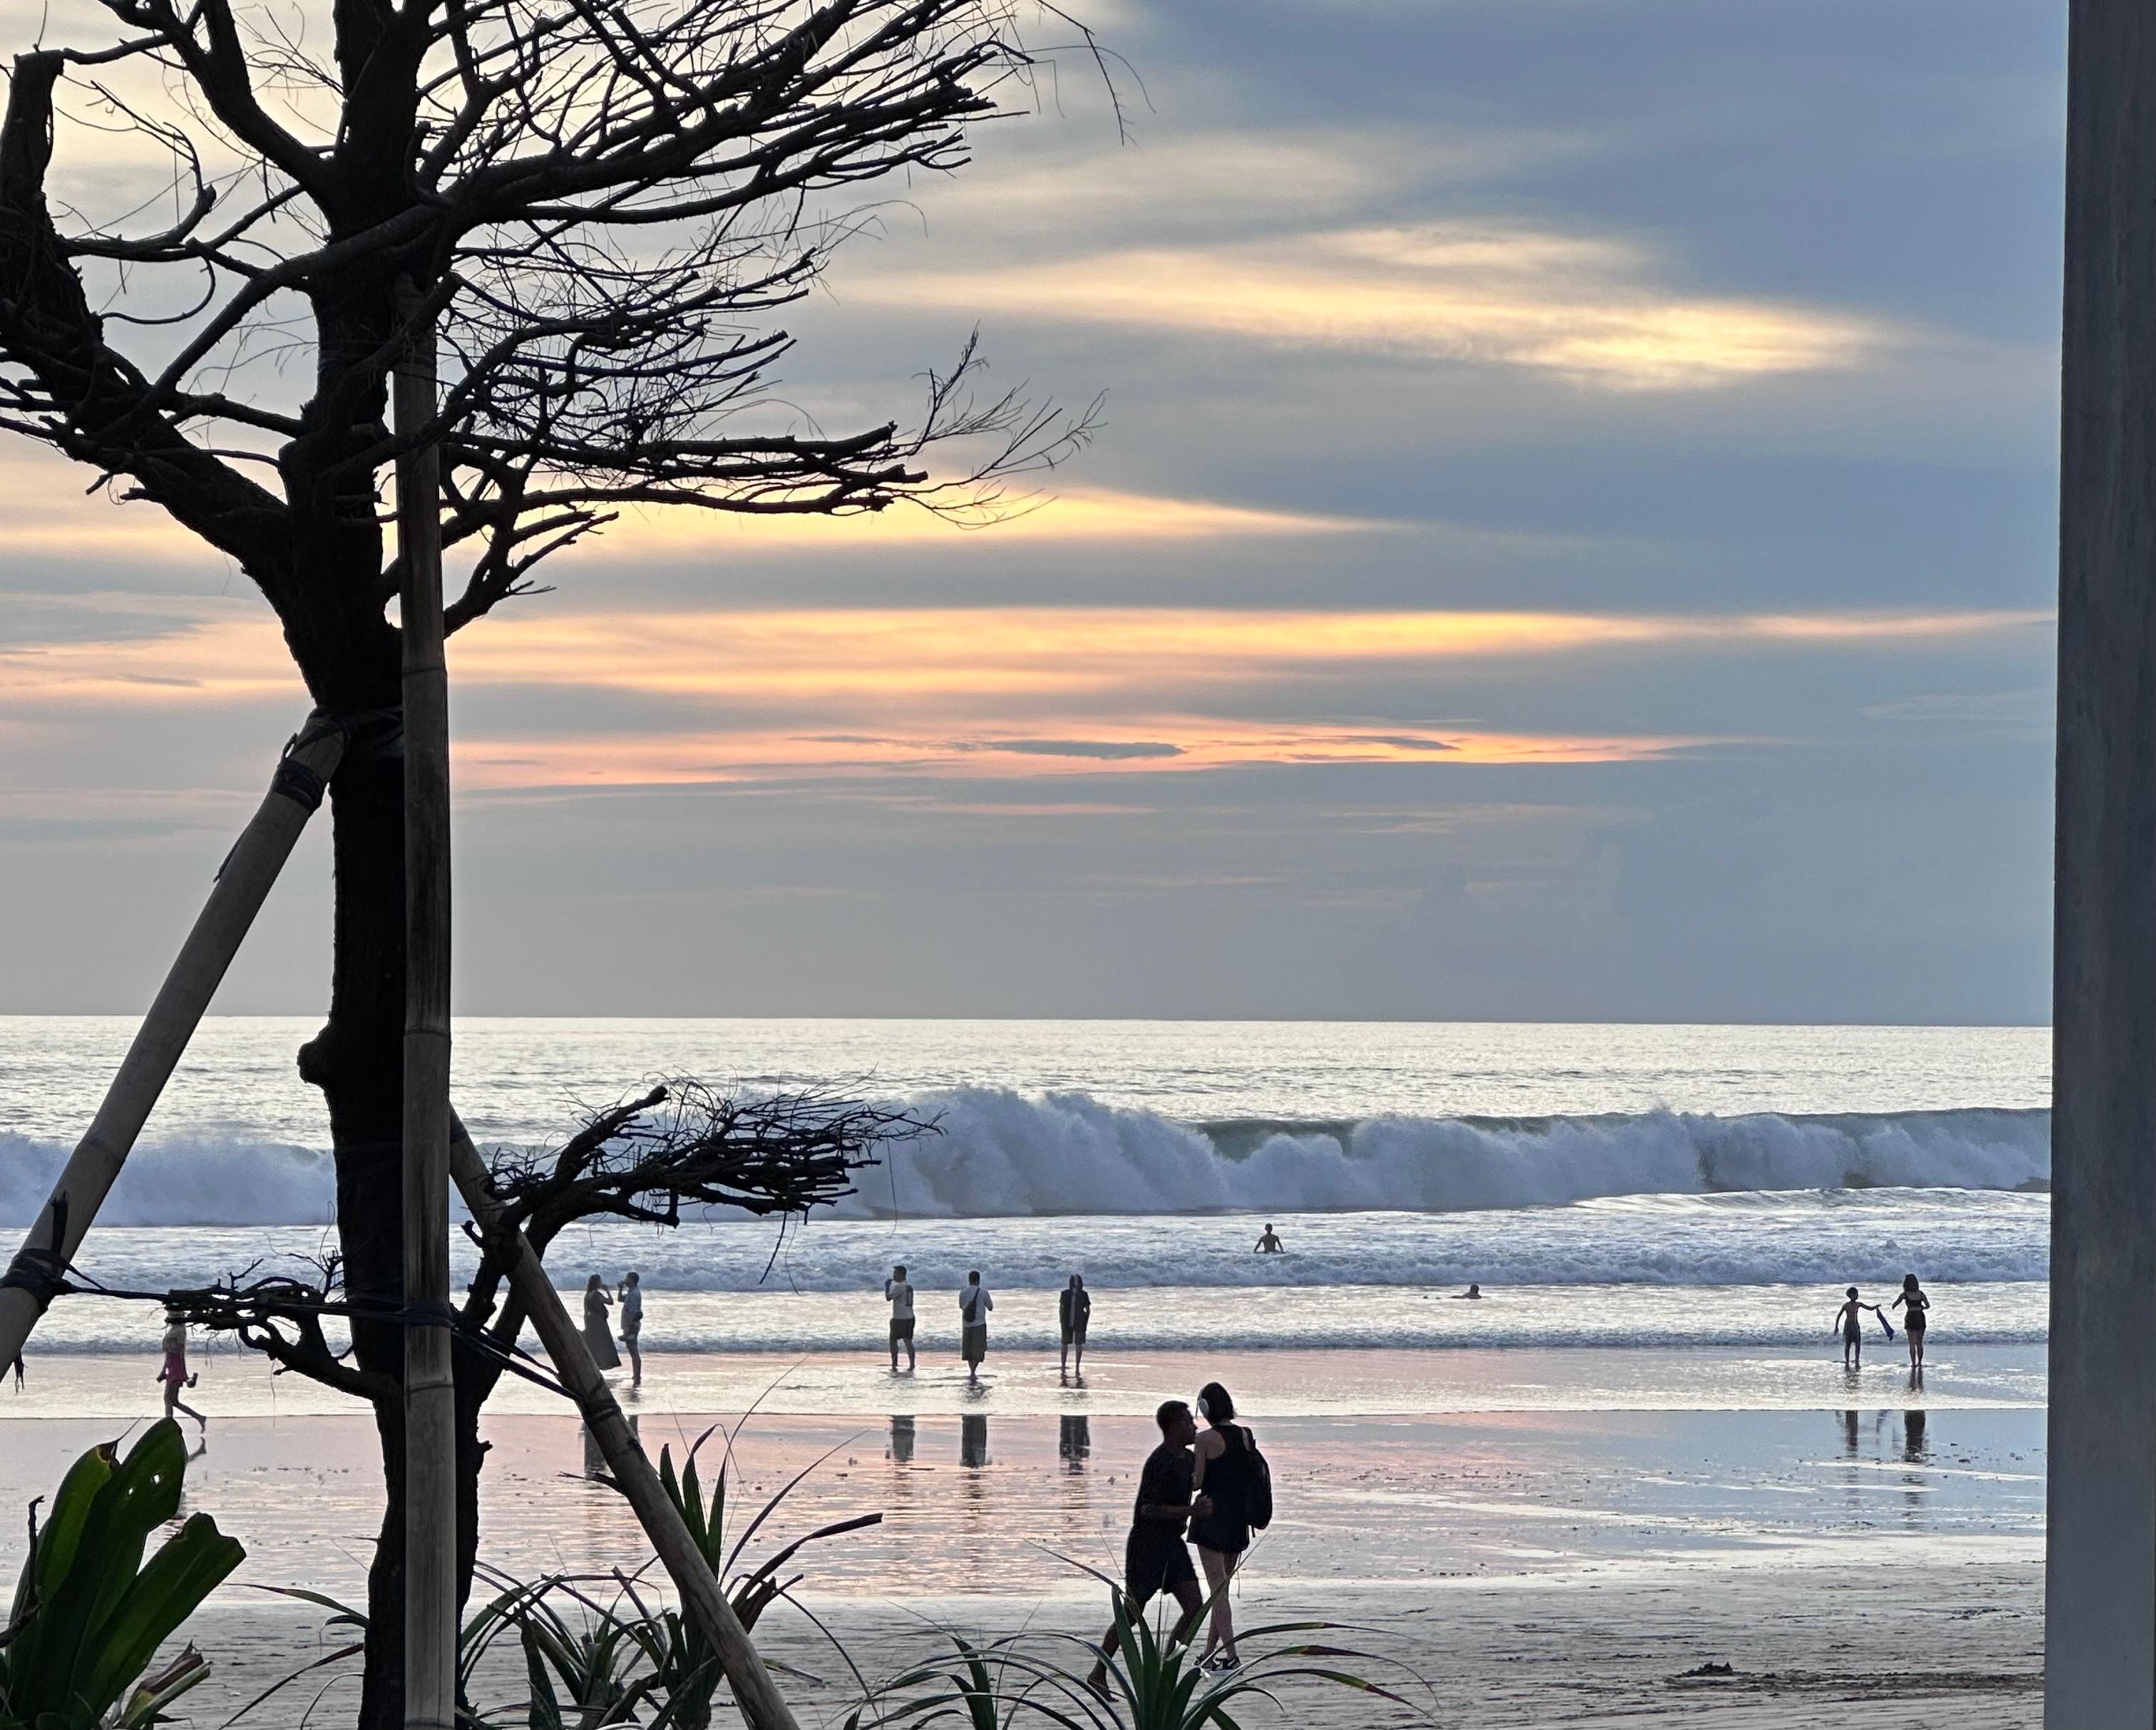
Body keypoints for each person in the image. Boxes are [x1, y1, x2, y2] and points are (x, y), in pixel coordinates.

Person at [1087, 1399, 1206, 1695]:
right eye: (1188, 1421)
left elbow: (1196, 1482)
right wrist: (1191, 1513)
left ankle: (1168, 1665)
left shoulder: (1188, 1459)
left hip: (1173, 1545)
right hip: (1147, 1545)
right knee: (1132, 1612)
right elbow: (1148, 1510)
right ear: (1173, 1426)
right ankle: (1098, 1672)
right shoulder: (1160, 1461)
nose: (1194, 1426)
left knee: (1195, 1606)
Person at [1189, 1380, 1260, 1671]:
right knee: (1222, 1592)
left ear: (1205, 1409)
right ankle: (1208, 1653)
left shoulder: (1205, 1440)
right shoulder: (1245, 1434)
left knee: (1217, 1593)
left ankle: (1231, 1656)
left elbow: (1197, 1482)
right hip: (1237, 1521)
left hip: (1211, 1521)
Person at [157, 1313, 206, 1431]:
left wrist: (168, 1372)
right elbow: (169, 1357)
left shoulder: (177, 1333)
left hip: (175, 1372)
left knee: (168, 1399)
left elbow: (176, 1354)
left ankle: (168, 1424)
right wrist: (163, 1372)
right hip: (174, 1371)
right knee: (173, 1401)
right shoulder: (178, 1331)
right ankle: (199, 1417)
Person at [1834, 1286, 1884, 1369]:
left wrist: (1876, 1307)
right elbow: (1839, 1316)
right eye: (1855, 1294)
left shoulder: (1858, 1304)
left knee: (1858, 1344)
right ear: (1850, 1295)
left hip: (1855, 1325)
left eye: (1857, 1294)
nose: (1856, 1296)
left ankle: (1857, 1360)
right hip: (1848, 1325)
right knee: (1848, 1344)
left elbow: (1870, 1308)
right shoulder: (1846, 1305)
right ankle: (1847, 1361)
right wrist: (1836, 1327)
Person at [1891, 1273, 1931, 1374]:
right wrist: (1921, 1308)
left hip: (1911, 1317)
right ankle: (1920, 1363)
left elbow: (1896, 1303)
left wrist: (1893, 1307)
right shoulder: (1921, 1294)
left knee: (1912, 1343)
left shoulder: (1905, 1294)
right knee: (1920, 1343)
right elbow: (1928, 1306)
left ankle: (1913, 1363)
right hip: (1920, 1317)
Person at [960, 1270, 992, 1384]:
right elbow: (990, 1307)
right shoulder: (984, 1292)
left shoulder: (963, 1292)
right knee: (978, 1350)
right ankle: (973, 1371)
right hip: (979, 1324)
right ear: (978, 1280)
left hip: (967, 1325)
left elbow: (961, 1306)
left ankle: (972, 1371)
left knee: (968, 1350)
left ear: (969, 1280)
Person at [582, 1275, 621, 1371]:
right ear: (597, 1283)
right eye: (600, 1281)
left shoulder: (587, 1295)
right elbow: (610, 1302)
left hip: (590, 1321)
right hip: (598, 1321)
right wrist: (607, 1291)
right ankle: (604, 1363)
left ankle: (595, 1362)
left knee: (594, 1342)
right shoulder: (596, 1294)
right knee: (603, 1342)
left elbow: (586, 1310)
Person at [885, 1263, 917, 1371]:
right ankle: (912, 1363)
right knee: (908, 1341)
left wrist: (887, 1287)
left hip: (900, 1317)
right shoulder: (909, 1286)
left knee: (893, 1340)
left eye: (895, 1273)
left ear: (901, 1274)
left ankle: (894, 1363)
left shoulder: (899, 1286)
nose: (894, 1275)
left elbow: (888, 1298)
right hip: (910, 1315)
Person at [1059, 1274, 1092, 1378]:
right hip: (1080, 1322)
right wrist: (1085, 1321)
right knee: (1079, 1345)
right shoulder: (1084, 1294)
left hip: (1066, 1321)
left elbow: (1061, 1309)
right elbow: (1088, 1310)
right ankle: (1077, 1366)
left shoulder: (1065, 1294)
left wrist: (1061, 1321)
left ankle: (1063, 1365)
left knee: (1065, 1344)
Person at [617, 1271, 644, 1387]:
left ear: (632, 1280)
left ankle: (637, 1375)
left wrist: (628, 1331)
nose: (625, 1280)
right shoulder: (632, 1292)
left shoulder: (634, 1294)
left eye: (627, 1279)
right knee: (632, 1350)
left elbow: (634, 1313)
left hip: (631, 1325)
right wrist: (620, 1288)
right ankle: (636, 1374)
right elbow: (620, 1299)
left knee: (634, 1351)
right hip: (629, 1325)